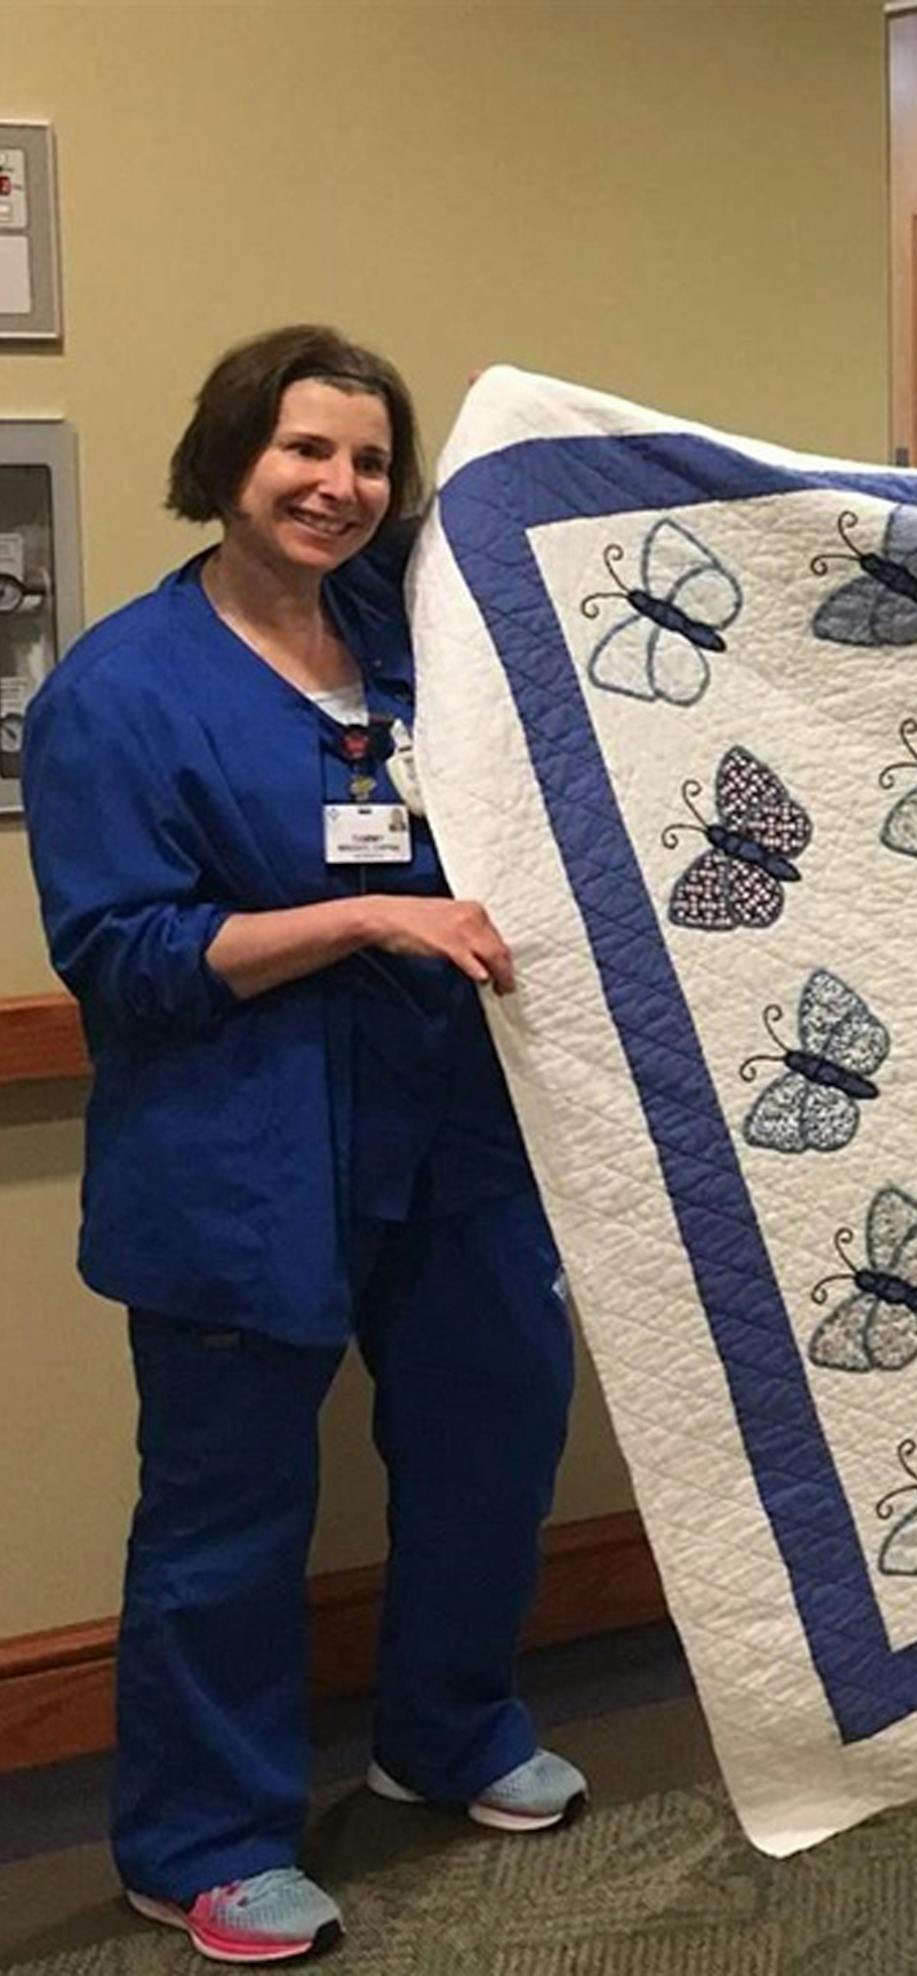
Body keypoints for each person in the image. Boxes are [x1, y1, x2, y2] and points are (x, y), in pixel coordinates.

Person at [23, 326, 585, 1963]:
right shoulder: (119, 693)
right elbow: (122, 959)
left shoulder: (415, 658)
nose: (338, 486)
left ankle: (450, 1729)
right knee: (228, 1514)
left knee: (493, 1442)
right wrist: (351, 920)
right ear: (230, 462)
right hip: (238, 1162)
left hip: (451, 1141)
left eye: (367, 459)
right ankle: (194, 1842)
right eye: (302, 452)